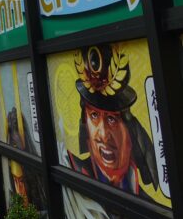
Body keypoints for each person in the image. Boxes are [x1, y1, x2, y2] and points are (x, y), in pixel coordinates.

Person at [68, 45, 158, 200]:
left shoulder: (149, 204)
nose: (103, 135)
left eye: (112, 119)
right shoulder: (71, 172)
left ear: (130, 131)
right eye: (94, 116)